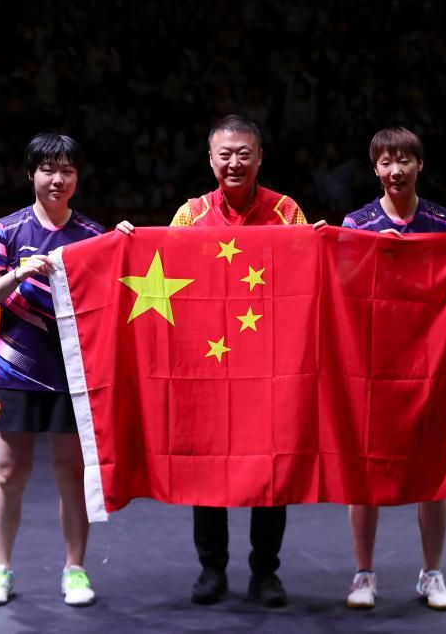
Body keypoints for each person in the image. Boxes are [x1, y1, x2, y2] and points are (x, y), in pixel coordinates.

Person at [118, 114, 323, 607]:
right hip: (208, 366)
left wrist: (321, 245)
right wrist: (129, 242)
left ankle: (265, 572)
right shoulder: (190, 215)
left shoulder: (287, 211)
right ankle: (211, 568)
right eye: (225, 154)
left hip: (272, 367)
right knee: (208, 465)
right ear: (210, 160)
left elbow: (309, 278)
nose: (234, 163)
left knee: (272, 469)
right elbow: (159, 268)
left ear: (259, 158)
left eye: (243, 154)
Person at [340, 126, 446, 611]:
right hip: (372, 365)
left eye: (404, 160)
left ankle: (431, 574)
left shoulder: (443, 223)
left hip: (426, 365)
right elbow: (344, 293)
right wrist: (352, 251)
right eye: (386, 162)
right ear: (375, 169)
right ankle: (363, 574)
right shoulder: (357, 224)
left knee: (431, 472)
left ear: (420, 165)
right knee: (365, 472)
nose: (395, 170)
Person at [0, 133, 104, 607]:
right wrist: (19, 273)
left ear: (77, 177)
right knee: (10, 472)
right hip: (16, 371)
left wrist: (126, 244)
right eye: (48, 170)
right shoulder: (7, 230)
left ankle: (75, 570)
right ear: (32, 174)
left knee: (71, 471)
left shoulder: (93, 236)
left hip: (73, 373)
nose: (57, 179)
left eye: (67, 170)